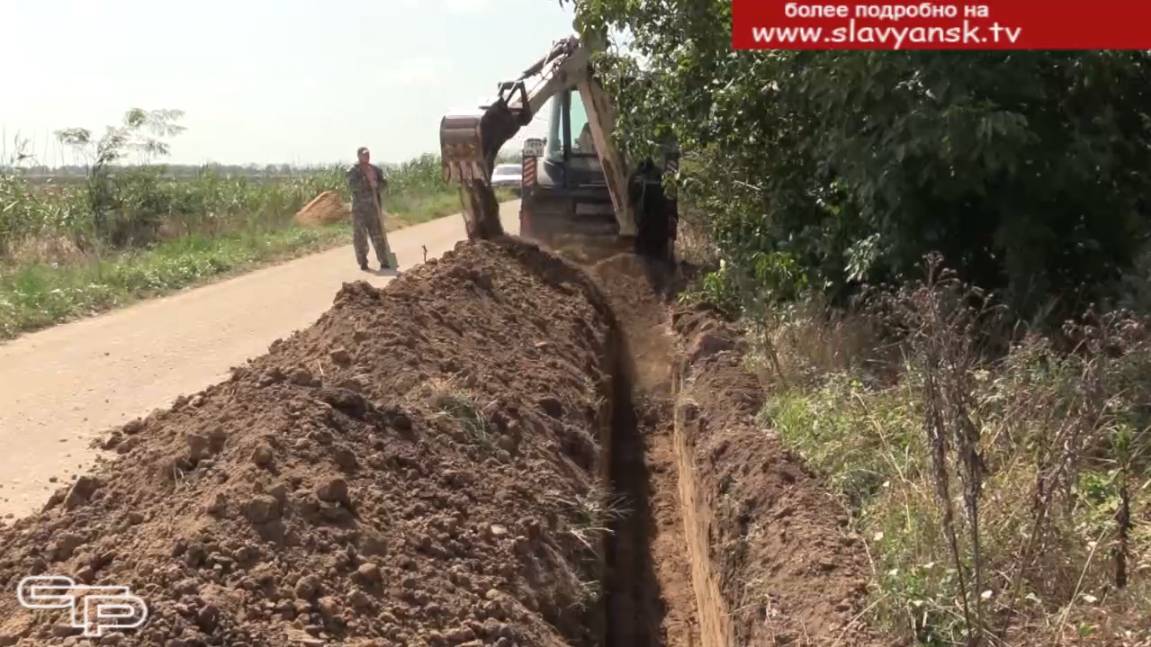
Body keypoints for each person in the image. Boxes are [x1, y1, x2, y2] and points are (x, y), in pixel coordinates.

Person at [346, 146, 394, 270]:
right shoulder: (353, 170)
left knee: (378, 235)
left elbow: (384, 184)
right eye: (364, 155)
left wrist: (377, 185)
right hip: (359, 209)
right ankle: (363, 261)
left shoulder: (375, 170)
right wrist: (368, 182)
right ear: (359, 156)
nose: (366, 156)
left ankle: (384, 260)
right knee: (360, 236)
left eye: (368, 154)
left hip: (374, 207)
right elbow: (353, 186)